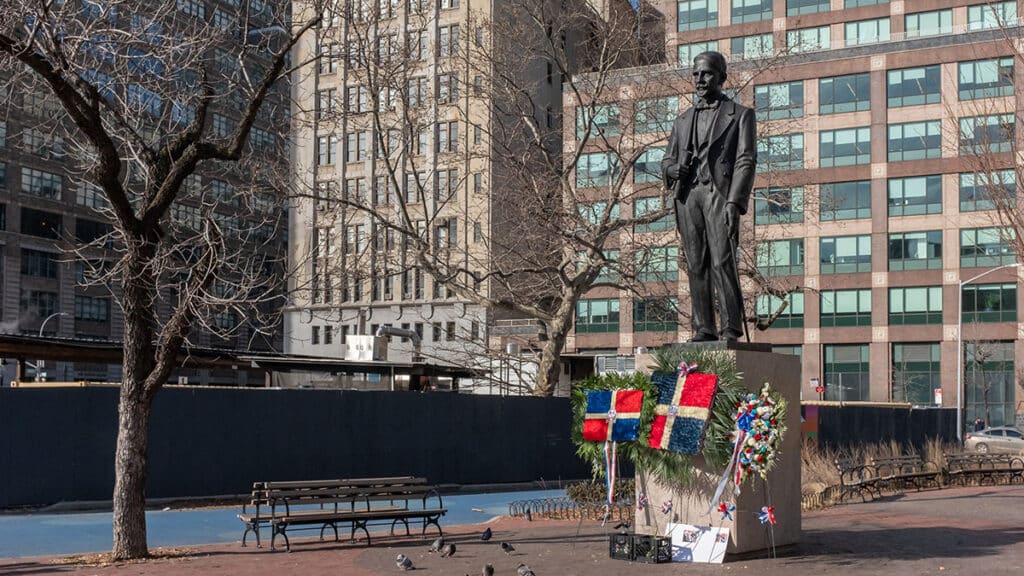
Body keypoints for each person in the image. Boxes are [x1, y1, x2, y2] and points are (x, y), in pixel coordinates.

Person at [661, 51, 757, 342]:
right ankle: (704, 327)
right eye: (696, 74)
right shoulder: (682, 120)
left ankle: (731, 326)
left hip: (719, 193)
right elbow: (666, 160)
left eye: (707, 74)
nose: (700, 79)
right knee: (695, 263)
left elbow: (746, 160)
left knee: (722, 261)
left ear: (722, 78)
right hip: (688, 195)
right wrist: (674, 169)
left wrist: (734, 202)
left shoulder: (740, 115)